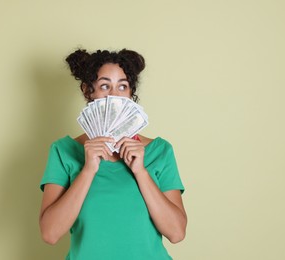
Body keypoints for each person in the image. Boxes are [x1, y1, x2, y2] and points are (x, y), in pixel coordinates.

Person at [39, 48, 187, 260]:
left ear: (131, 93)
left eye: (123, 86)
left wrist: (141, 172)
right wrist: (88, 170)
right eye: (105, 86)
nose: (114, 96)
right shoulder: (64, 151)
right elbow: (50, 234)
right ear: (88, 90)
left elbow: (177, 233)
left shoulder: (159, 151)